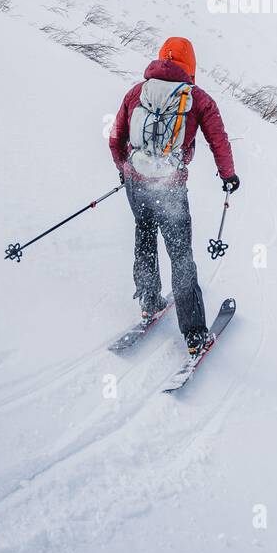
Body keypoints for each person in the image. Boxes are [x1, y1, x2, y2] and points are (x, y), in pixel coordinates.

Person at [108, 36, 239, 355]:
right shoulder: (198, 99)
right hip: (170, 187)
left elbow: (116, 136)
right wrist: (228, 176)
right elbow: (218, 140)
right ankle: (194, 334)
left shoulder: (137, 92)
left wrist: (124, 168)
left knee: (144, 237)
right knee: (180, 255)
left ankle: (149, 302)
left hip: (137, 184)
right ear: (190, 65)